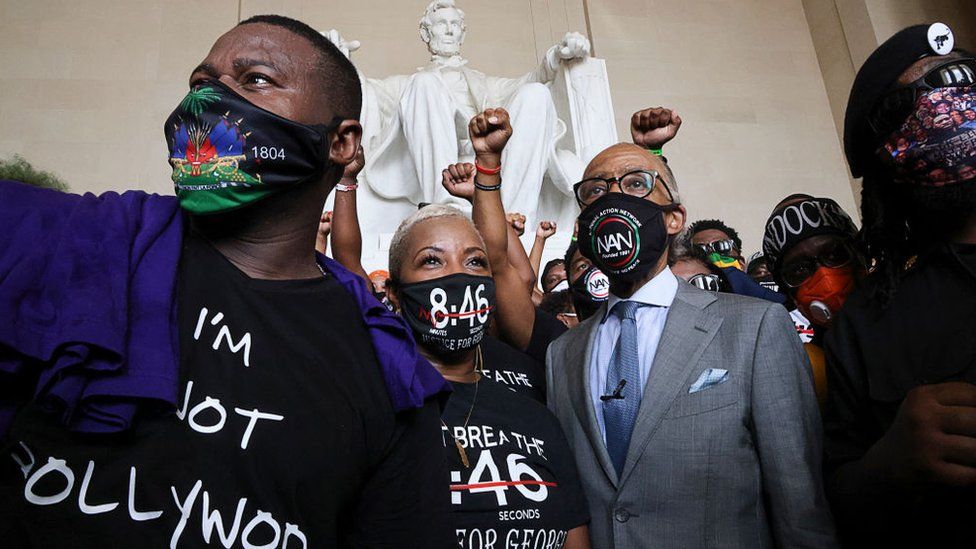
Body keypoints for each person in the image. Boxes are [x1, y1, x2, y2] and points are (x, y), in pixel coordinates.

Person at [0, 15, 456, 547]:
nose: (207, 101)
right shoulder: (79, 240)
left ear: (342, 142)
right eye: (199, 84)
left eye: (255, 79)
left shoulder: (390, 370)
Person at [545, 140, 837, 548]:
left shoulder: (754, 327)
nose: (613, 199)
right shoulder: (562, 355)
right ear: (582, 226)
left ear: (674, 218)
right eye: (595, 191)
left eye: (635, 184)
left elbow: (799, 505)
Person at [386, 110, 591, 545]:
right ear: (396, 294)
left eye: (473, 262)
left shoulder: (537, 416)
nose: (457, 276)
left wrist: (487, 170)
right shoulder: (372, 410)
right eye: (432, 261)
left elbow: (574, 534)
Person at [824, 23, 976, 547]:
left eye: (962, 83)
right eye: (918, 102)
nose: (950, 108)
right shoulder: (866, 324)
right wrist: (890, 463)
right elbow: (837, 501)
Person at [761, 193, 862, 408]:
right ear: (789, 292)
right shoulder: (809, 370)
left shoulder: (916, 312)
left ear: (858, 255)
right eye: (799, 269)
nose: (825, 276)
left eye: (834, 255)